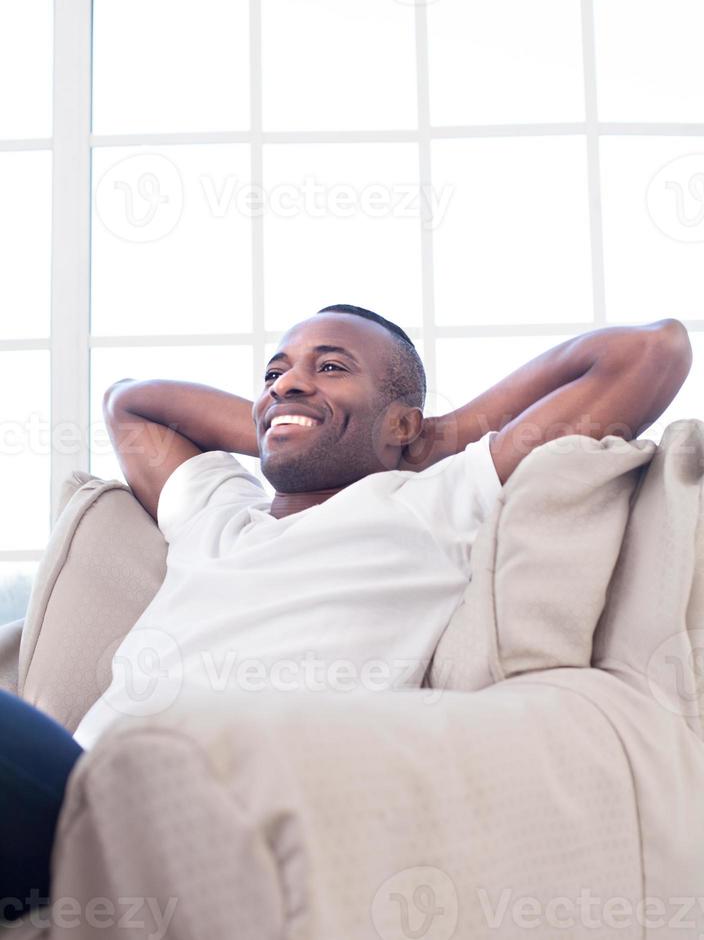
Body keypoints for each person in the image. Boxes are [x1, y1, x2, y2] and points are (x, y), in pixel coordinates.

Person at [0, 303, 692, 922]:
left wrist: (437, 437)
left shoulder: (434, 502)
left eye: (331, 367)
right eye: (276, 371)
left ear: (403, 422)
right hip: (67, 788)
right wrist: (287, 416)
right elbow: (129, 402)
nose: (288, 382)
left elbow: (649, 352)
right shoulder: (217, 509)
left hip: (141, 812)